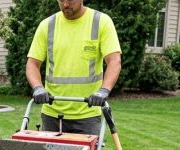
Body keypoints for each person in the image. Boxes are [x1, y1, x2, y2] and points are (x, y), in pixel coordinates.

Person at [26, 0, 121, 135]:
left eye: (70, 0)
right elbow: (32, 64)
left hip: (87, 114)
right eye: (61, 0)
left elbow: (114, 61)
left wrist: (104, 90)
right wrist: (38, 87)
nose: (65, 4)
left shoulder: (101, 22)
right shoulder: (47, 25)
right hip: (52, 113)